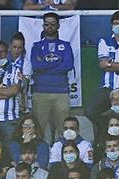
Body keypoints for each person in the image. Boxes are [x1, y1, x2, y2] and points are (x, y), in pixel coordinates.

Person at [87, 12, 119, 123]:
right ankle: (104, 130)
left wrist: (110, 64)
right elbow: (102, 64)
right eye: (115, 23)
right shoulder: (104, 42)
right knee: (89, 111)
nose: (118, 26)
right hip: (107, 88)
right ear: (111, 26)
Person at [30, 12, 74, 142]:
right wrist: (57, 61)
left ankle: (62, 159)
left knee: (64, 131)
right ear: (43, 26)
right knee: (39, 131)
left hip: (61, 92)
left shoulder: (66, 46)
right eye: (47, 24)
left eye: (53, 24)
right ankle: (39, 160)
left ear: (58, 26)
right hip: (40, 92)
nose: (49, 26)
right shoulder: (36, 46)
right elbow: (36, 66)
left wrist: (46, 65)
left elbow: (67, 65)